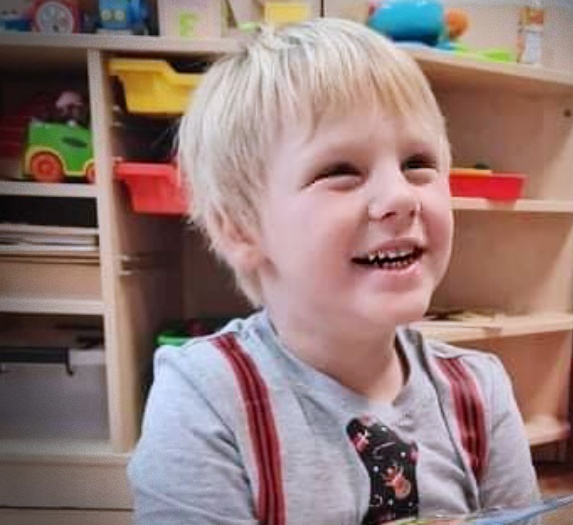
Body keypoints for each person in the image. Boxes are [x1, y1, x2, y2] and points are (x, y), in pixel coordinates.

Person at [128, 17, 540, 525]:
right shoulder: (204, 396)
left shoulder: (479, 391)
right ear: (239, 228)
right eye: (340, 171)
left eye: (417, 163)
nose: (400, 197)